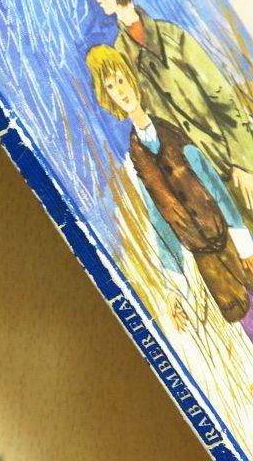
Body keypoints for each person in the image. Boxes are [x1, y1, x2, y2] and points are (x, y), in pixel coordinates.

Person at [70, 0, 253, 285]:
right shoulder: (121, 59)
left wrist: (246, 163)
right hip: (203, 198)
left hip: (234, 171)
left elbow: (224, 101)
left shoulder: (173, 37)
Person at [86, 44, 253, 325]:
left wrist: (245, 245)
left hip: (231, 241)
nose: (121, 91)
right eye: (111, 87)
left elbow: (215, 187)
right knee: (245, 320)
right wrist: (175, 288)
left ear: (131, 78)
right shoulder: (137, 159)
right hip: (208, 264)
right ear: (107, 97)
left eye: (121, 79)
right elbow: (160, 222)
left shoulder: (172, 133)